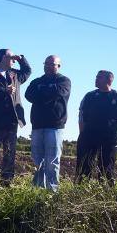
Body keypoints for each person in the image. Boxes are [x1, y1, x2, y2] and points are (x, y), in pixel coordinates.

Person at [75, 70, 117, 186]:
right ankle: (79, 192)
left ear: (109, 80)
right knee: (84, 167)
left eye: (99, 77)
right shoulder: (89, 96)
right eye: (96, 77)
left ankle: (106, 195)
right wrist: (82, 135)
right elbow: (82, 116)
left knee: (107, 168)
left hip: (108, 139)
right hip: (88, 137)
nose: (96, 79)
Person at [0, 49, 32, 186]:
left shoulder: (14, 74)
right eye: (11, 57)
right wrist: (4, 91)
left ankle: (6, 184)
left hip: (12, 121)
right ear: (3, 58)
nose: (14, 60)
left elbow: (28, 70)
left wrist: (21, 58)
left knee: (9, 155)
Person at [24, 55, 70, 191]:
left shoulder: (64, 81)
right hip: (37, 125)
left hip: (55, 126)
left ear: (58, 66)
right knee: (37, 159)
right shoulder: (37, 80)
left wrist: (41, 91)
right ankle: (38, 189)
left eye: (52, 64)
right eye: (46, 64)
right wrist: (48, 90)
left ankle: (52, 191)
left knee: (52, 161)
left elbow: (57, 92)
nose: (48, 66)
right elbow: (28, 95)